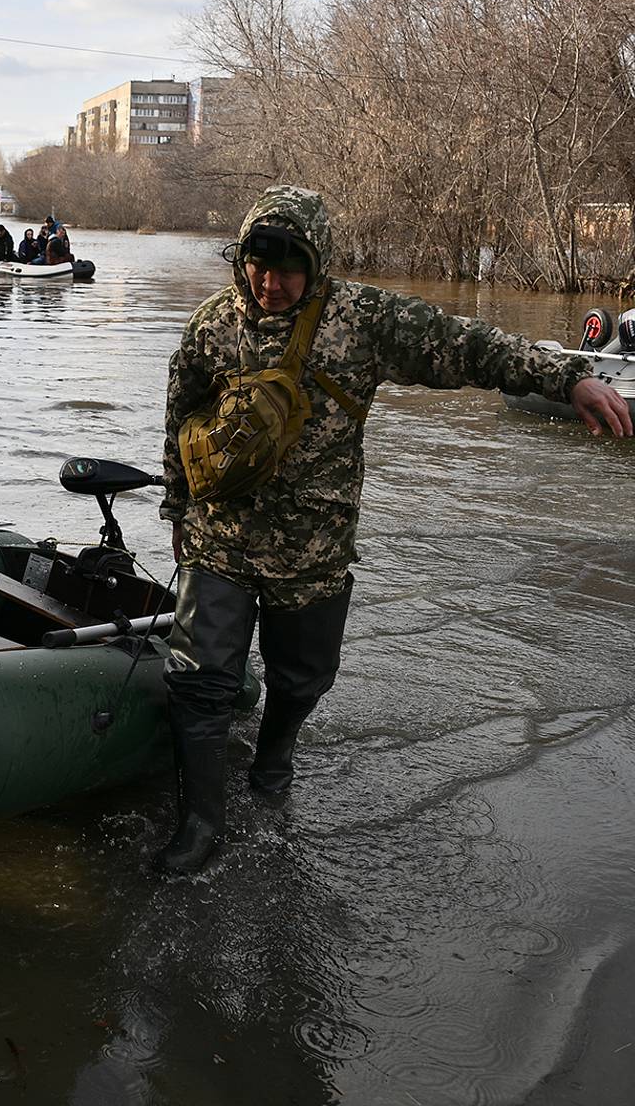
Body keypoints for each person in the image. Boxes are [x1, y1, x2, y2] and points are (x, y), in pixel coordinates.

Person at [156, 184, 631, 877]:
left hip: (313, 555)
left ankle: (274, 762)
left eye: (288, 266)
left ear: (316, 263)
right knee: (198, 683)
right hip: (219, 541)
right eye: (258, 262)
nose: (269, 281)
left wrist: (568, 379)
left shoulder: (363, 320)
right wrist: (176, 512)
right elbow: (179, 422)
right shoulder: (209, 327)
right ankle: (200, 826)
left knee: (303, 679)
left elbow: (467, 345)